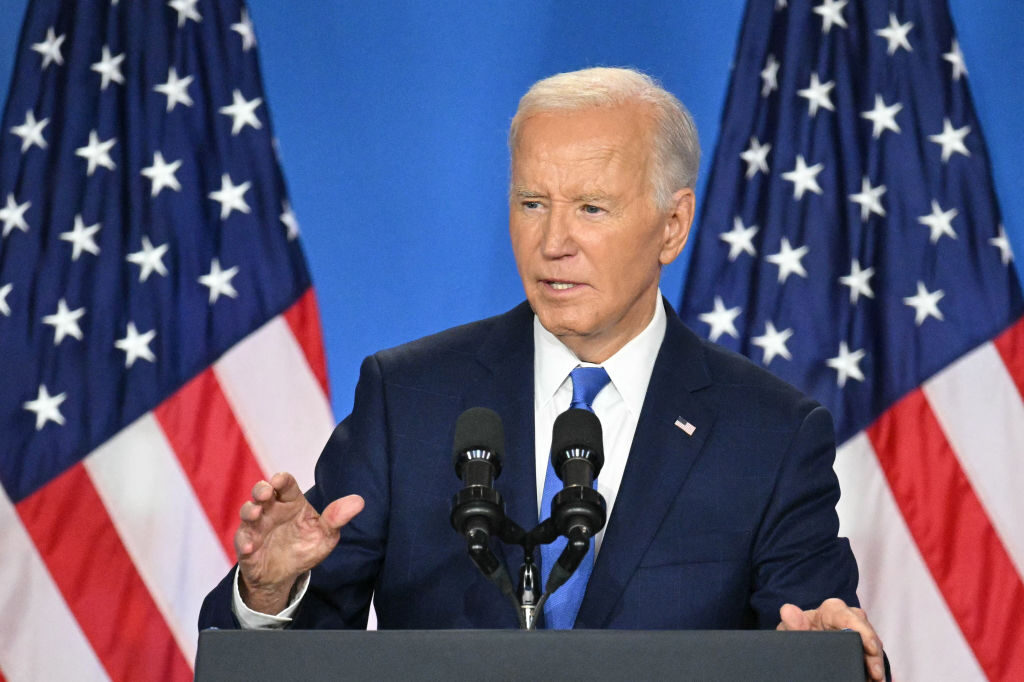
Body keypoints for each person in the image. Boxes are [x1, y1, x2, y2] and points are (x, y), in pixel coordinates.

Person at [199, 67, 887, 681]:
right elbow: (291, 656)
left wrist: (829, 655)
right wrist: (266, 594)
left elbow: (816, 640)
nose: (553, 242)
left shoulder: (768, 434)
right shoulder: (408, 399)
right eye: (533, 203)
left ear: (673, 225)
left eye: (591, 208)